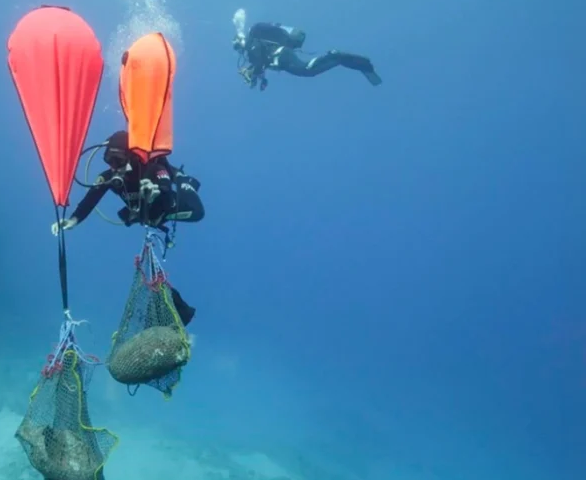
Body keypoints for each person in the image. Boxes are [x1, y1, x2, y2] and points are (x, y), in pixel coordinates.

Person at [51, 129, 201, 326]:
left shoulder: (151, 169)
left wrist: (157, 191)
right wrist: (72, 221)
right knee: (131, 215)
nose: (114, 167)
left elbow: (163, 183)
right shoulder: (109, 177)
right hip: (144, 214)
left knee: (197, 212)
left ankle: (182, 178)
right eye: (109, 160)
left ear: (130, 158)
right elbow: (90, 200)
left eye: (118, 160)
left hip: (165, 207)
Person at [232, 21, 382, 90]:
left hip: (282, 55)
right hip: (281, 59)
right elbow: (260, 64)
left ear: (241, 40)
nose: (239, 50)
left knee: (306, 69)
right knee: (309, 72)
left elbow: (259, 63)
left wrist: (254, 73)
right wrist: (260, 79)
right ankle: (339, 59)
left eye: (237, 46)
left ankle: (335, 56)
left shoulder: (252, 45)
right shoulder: (253, 49)